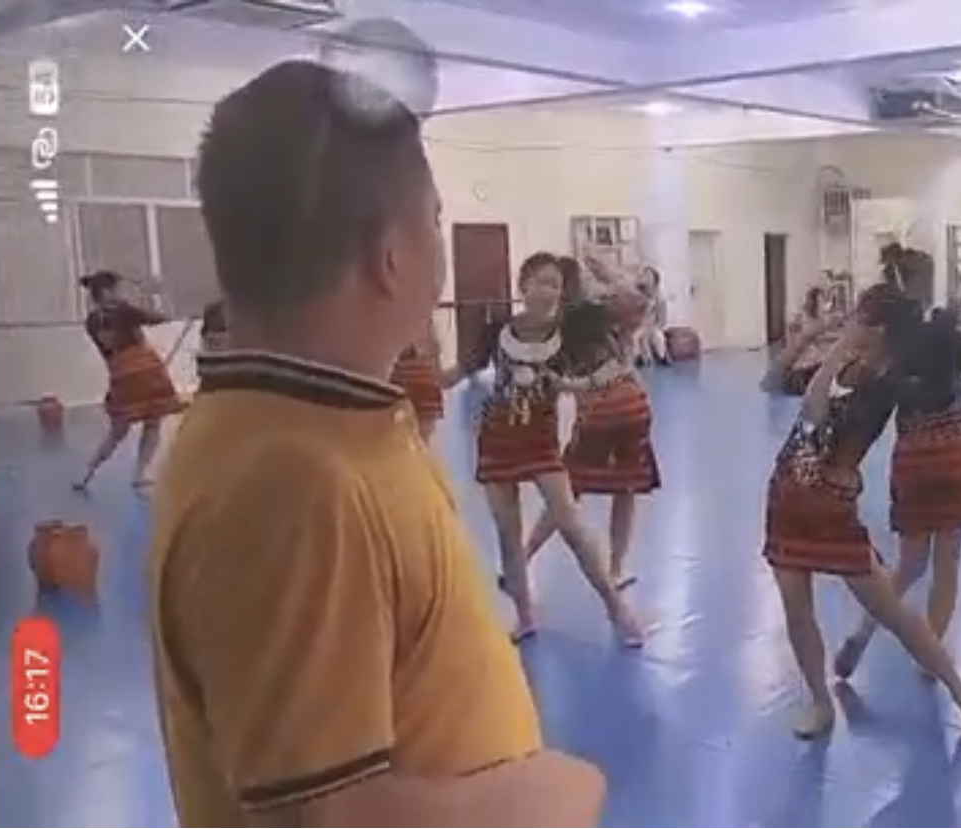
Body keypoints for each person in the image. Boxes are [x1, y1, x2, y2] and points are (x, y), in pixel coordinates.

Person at [149, 61, 604, 827]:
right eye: (434, 221)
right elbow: (322, 816)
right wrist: (541, 797)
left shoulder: (319, 426)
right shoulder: (296, 484)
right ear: (390, 255)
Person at [758, 283, 961, 742]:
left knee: (895, 614)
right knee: (797, 613)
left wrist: (839, 347)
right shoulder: (843, 365)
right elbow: (772, 381)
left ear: (878, 329)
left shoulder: (884, 383)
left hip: (832, 508)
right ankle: (820, 702)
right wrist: (809, 335)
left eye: (860, 317)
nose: (851, 321)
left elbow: (814, 411)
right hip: (787, 497)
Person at [833, 254, 961, 680]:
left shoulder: (888, 338)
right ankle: (930, 658)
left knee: (909, 564)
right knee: (948, 563)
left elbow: (865, 394)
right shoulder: (944, 326)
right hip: (953, 451)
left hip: (912, 453)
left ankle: (862, 633)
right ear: (922, 281)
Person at [462, 253, 647, 645]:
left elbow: (628, 323)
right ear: (523, 286)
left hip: (541, 445)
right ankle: (524, 615)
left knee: (573, 527)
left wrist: (574, 385)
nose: (548, 292)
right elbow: (460, 372)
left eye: (556, 285)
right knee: (508, 535)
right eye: (541, 282)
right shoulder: (497, 330)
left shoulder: (571, 329)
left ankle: (616, 607)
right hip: (497, 441)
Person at [518, 256, 661, 591]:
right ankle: (615, 569)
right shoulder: (592, 313)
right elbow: (639, 302)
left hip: (596, 409)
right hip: (630, 403)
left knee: (568, 491)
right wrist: (610, 272)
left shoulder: (548, 327)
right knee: (626, 490)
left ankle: (521, 559)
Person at [73, 270, 185, 490]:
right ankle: (139, 474)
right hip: (145, 372)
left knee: (118, 430)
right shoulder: (125, 311)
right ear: (106, 292)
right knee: (152, 423)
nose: (121, 293)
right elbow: (161, 317)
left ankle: (87, 473)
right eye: (118, 289)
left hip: (121, 376)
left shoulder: (92, 321)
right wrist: (154, 294)